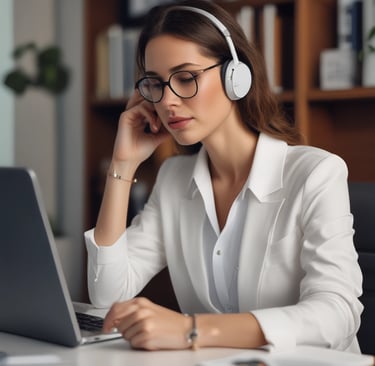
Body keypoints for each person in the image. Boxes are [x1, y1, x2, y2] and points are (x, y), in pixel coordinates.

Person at [84, 0, 363, 353]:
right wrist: (122, 166)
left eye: (186, 78)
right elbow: (107, 292)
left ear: (236, 76)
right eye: (155, 83)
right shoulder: (173, 178)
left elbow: (337, 314)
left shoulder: (316, 173)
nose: (167, 101)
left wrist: (192, 330)